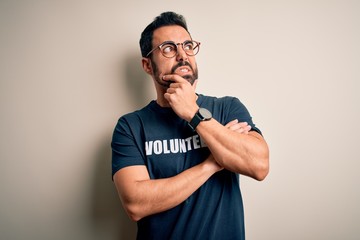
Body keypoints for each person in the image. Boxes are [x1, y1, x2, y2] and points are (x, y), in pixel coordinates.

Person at [111, 11, 269, 240]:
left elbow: (259, 165)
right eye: (168, 48)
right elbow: (136, 204)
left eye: (188, 45)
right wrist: (212, 164)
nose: (182, 55)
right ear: (147, 65)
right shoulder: (131, 127)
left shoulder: (227, 108)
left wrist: (194, 114)